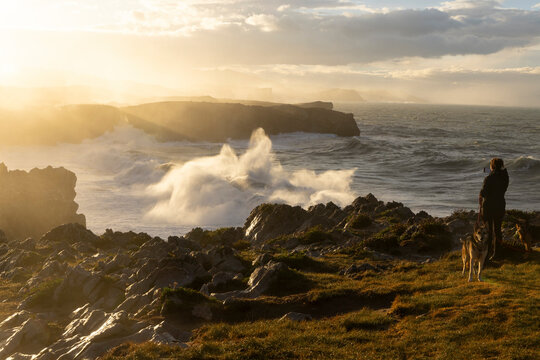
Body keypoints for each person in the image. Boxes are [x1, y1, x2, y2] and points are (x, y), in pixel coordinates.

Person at [479, 157, 509, 259]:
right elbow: (501, 176)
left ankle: (487, 254)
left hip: (489, 207)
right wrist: (493, 172)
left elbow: (483, 193)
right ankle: (497, 254)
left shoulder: (489, 178)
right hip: (500, 206)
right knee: (497, 231)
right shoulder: (505, 177)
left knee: (489, 232)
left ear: (492, 166)